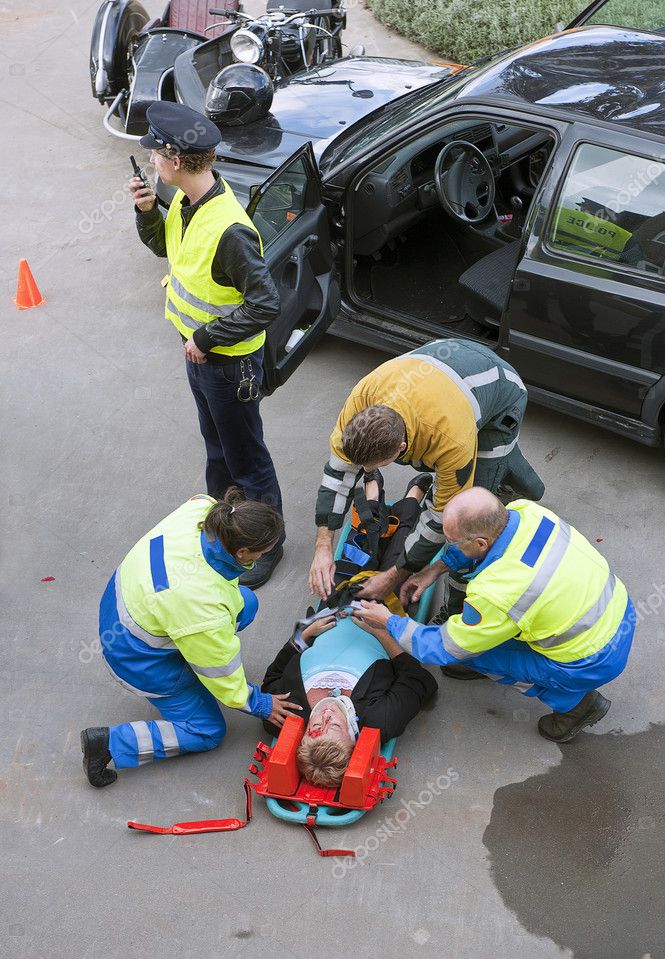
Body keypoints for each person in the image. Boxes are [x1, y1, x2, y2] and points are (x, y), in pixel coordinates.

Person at [129, 101, 284, 588]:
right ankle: (224, 525)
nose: (151, 160)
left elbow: (266, 304)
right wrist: (148, 211)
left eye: (156, 153)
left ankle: (266, 546)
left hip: (227, 365)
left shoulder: (230, 230)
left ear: (175, 159)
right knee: (218, 450)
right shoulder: (183, 199)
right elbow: (165, 249)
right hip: (201, 360)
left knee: (248, 459)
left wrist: (205, 337)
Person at [352, 488, 636, 743]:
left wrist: (389, 622)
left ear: (480, 543)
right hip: (619, 613)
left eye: (452, 542)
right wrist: (435, 569)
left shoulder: (497, 592)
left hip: (592, 661)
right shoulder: (527, 512)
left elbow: (446, 647)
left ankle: (576, 706)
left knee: (472, 654)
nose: (449, 545)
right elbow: (486, 546)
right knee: (501, 627)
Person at [80, 489, 301, 788]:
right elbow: (222, 676)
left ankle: (191, 644)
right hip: (136, 658)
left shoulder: (204, 510)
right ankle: (108, 744)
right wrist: (258, 702)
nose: (264, 556)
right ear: (242, 553)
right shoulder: (202, 606)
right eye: (262, 552)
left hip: (124, 604)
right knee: (206, 730)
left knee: (244, 602)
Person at [310, 338, 544, 605]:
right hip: (448, 362)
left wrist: (396, 574)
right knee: (493, 468)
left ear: (400, 448)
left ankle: (455, 605)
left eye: (374, 465)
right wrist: (322, 546)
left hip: (501, 390)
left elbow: (441, 516)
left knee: (469, 516)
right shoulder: (360, 402)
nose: (364, 472)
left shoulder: (450, 438)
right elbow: (337, 476)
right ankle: (519, 477)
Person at [261, 473, 438, 787]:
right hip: (386, 609)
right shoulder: (379, 719)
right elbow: (421, 683)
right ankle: (413, 495)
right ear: (354, 740)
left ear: (303, 736)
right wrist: (385, 632)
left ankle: (372, 495)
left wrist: (301, 638)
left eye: (316, 727)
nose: (326, 716)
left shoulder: (285, 714)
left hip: (337, 601)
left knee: (359, 548)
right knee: (401, 551)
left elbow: (273, 677)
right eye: (336, 728)